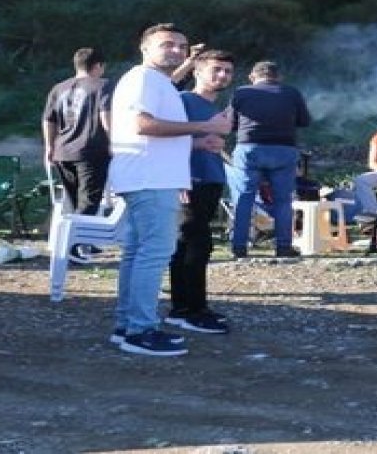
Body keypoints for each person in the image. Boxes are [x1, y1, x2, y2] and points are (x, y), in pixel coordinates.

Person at [108, 23, 231, 356]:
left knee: (137, 253)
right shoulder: (144, 79)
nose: (176, 51)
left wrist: (197, 142)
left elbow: (152, 134)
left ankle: (127, 325)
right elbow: (142, 125)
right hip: (151, 180)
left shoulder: (156, 82)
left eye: (182, 46)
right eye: (168, 45)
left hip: (147, 176)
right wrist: (206, 125)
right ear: (145, 48)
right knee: (155, 253)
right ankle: (141, 331)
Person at [166, 49, 236, 334]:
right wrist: (179, 178)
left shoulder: (216, 108)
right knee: (193, 244)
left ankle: (192, 306)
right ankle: (187, 310)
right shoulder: (182, 101)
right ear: (197, 71)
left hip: (211, 178)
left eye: (228, 71)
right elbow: (167, 141)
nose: (222, 75)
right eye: (216, 69)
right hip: (189, 180)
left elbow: (208, 142)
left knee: (196, 244)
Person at [228, 61, 313, 259]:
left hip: (250, 149)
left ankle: (239, 247)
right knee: (283, 201)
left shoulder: (241, 92)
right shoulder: (291, 92)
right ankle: (283, 247)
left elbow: (230, 124)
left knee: (243, 199)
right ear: (278, 77)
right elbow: (304, 121)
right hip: (283, 150)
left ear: (252, 76)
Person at [42, 47, 112, 215]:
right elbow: (106, 115)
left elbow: (48, 120)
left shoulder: (58, 88)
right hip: (91, 151)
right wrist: (113, 141)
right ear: (98, 66)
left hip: (63, 152)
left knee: (75, 201)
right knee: (88, 202)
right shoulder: (103, 85)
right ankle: (83, 239)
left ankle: (73, 236)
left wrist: (49, 147)